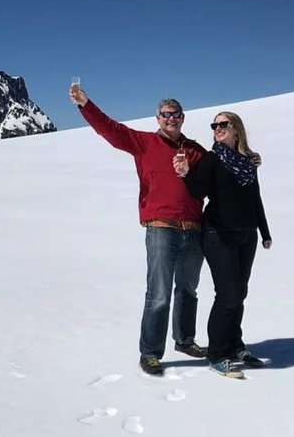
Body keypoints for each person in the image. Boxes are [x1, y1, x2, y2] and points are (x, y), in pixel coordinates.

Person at [70, 84, 211, 376]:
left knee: (188, 290)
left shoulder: (196, 151)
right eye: (165, 114)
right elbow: (110, 130)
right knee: (158, 293)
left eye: (176, 114)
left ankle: (185, 340)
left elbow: (216, 176)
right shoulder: (144, 143)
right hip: (161, 228)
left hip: (193, 228)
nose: (171, 119)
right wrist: (86, 104)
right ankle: (150, 352)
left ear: (183, 118)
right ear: (157, 118)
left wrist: (248, 158)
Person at [174, 111, 272, 379]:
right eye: (214, 125)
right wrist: (184, 174)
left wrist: (264, 231)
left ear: (236, 129)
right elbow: (197, 190)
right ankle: (217, 354)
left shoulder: (247, 162)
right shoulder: (212, 158)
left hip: (246, 233)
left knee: (239, 293)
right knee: (227, 293)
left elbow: (256, 198)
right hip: (218, 233)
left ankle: (234, 345)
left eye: (222, 124)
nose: (217, 128)